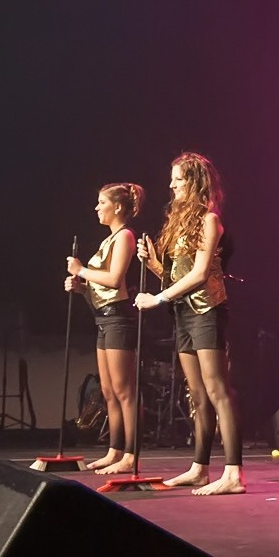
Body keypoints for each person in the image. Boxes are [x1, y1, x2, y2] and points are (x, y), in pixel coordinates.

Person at [134, 152, 245, 496]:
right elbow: (176, 276)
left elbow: (199, 275)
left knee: (217, 390)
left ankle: (233, 474)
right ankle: (200, 468)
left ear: (195, 182)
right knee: (196, 394)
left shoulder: (210, 220)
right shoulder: (179, 222)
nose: (172, 185)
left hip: (207, 311)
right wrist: (154, 265)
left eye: (178, 179)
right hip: (183, 312)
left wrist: (157, 299)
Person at [65, 182, 143, 475]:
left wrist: (81, 270)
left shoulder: (125, 236)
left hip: (118, 318)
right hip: (102, 318)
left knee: (124, 390)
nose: (97, 208)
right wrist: (81, 288)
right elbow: (100, 289)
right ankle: (115, 450)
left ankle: (131, 454)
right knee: (108, 390)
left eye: (102, 203)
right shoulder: (108, 240)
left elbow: (113, 279)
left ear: (118, 207)